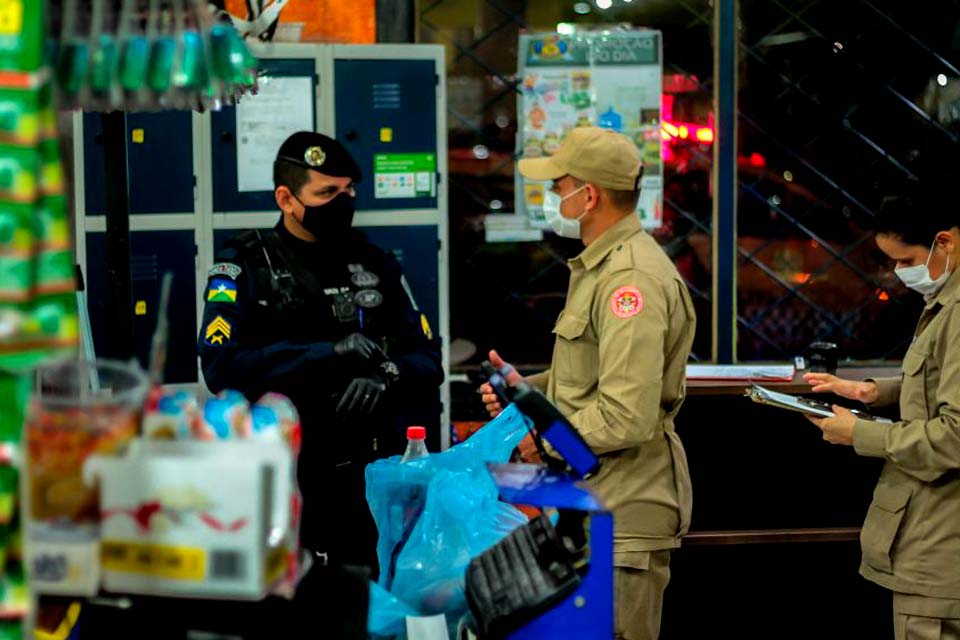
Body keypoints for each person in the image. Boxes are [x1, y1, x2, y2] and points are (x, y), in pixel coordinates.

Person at [479, 127, 696, 640]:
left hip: (623, 513)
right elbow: (588, 376)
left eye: (560, 184)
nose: (554, 195)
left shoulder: (631, 283)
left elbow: (626, 414)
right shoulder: (600, 269)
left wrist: (543, 441)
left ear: (589, 195)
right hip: (593, 503)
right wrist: (524, 392)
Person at [197, 131, 443, 572]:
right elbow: (223, 368)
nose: (343, 201)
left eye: (348, 190)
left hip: (367, 477)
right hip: (284, 475)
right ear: (287, 199)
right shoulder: (245, 267)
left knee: (368, 601)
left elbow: (427, 360)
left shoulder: (375, 263)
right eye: (327, 192)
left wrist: (385, 373)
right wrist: (327, 353)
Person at [804, 194, 960, 640]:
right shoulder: (945, 302)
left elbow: (953, 436)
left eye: (906, 260)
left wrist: (860, 434)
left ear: (943, 242)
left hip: (940, 547)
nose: (899, 274)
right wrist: (873, 392)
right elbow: (940, 380)